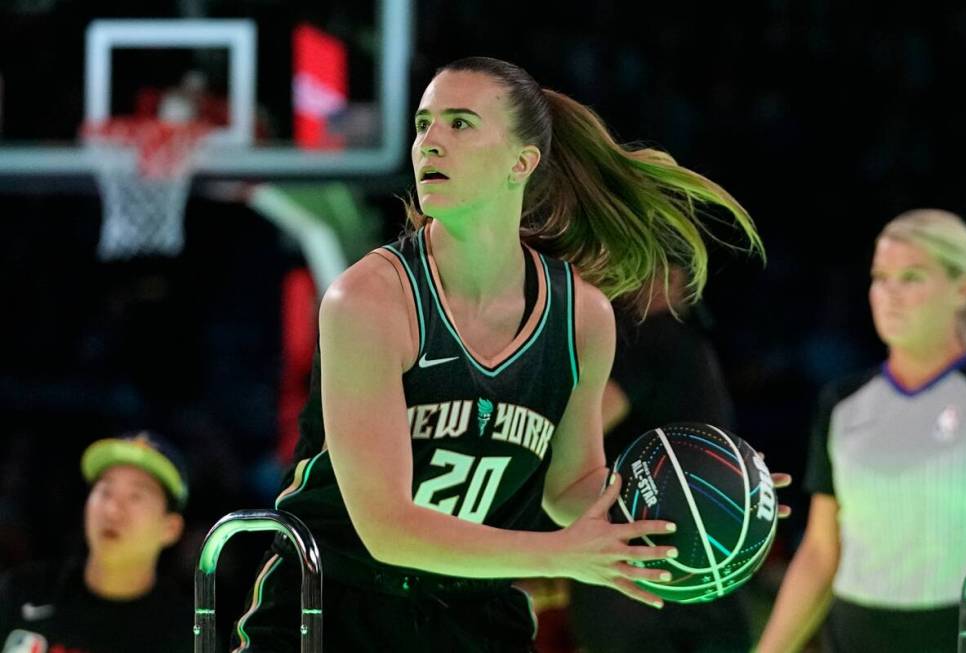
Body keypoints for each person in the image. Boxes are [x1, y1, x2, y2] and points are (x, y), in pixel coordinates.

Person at [233, 56, 784, 652]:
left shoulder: (582, 317)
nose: (430, 143)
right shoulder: (368, 300)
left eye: (460, 124)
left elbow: (572, 484)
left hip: (475, 612)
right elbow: (385, 529)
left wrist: (706, 499)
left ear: (522, 163)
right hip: (331, 610)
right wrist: (560, 554)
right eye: (423, 124)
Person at [756, 208, 966, 652]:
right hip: (855, 634)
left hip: (957, 633)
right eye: (881, 277)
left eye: (912, 277)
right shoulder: (842, 404)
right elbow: (822, 551)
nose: (890, 294)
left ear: (962, 288)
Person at [567, 266, 753, 652]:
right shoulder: (695, 347)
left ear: (674, 279)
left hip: (641, 583)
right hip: (707, 578)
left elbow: (578, 430)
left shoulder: (653, 337)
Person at [0, 431, 191, 653]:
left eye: (136, 497)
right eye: (105, 491)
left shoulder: (185, 634)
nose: (112, 510)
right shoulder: (20, 592)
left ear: (170, 528)